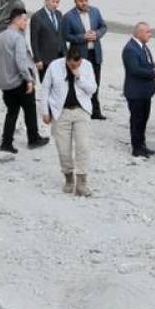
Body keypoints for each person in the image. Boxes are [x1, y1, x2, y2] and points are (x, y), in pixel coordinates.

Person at [39, 46, 97, 196]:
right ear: (66, 59)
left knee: (83, 147)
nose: (74, 67)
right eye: (72, 65)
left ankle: (82, 183)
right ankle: (69, 178)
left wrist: (79, 76)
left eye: (77, 64)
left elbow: (92, 89)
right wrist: (45, 111)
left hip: (81, 110)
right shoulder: (54, 66)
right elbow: (45, 89)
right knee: (63, 149)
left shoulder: (87, 66)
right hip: (61, 112)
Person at [0, 8, 48, 153]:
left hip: (5, 82)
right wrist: (29, 80)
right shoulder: (18, 38)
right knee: (30, 110)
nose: (26, 23)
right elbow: (21, 62)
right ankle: (33, 138)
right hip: (19, 81)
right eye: (24, 20)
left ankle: (6, 142)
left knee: (11, 112)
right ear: (17, 20)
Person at [62, 0, 108, 119]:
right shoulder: (68, 17)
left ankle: (95, 111)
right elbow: (66, 36)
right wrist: (82, 37)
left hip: (95, 53)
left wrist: (96, 34)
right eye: (81, 1)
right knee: (78, 81)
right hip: (80, 55)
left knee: (95, 82)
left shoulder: (95, 11)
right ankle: (79, 107)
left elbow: (103, 27)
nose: (84, 3)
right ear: (75, 2)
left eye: (86, 0)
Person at [122, 22, 155, 157]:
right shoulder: (130, 49)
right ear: (139, 33)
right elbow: (134, 70)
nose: (150, 34)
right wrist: (152, 73)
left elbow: (150, 62)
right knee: (137, 120)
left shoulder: (143, 47)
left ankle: (142, 144)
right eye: (148, 32)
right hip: (135, 92)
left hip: (145, 91)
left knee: (144, 119)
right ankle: (136, 147)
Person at [30, 0, 65, 82]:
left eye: (57, 2)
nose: (55, 4)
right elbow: (34, 40)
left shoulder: (59, 14)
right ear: (46, 1)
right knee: (47, 84)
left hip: (59, 56)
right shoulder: (37, 17)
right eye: (53, 1)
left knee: (58, 83)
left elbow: (60, 34)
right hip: (45, 59)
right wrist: (37, 59)